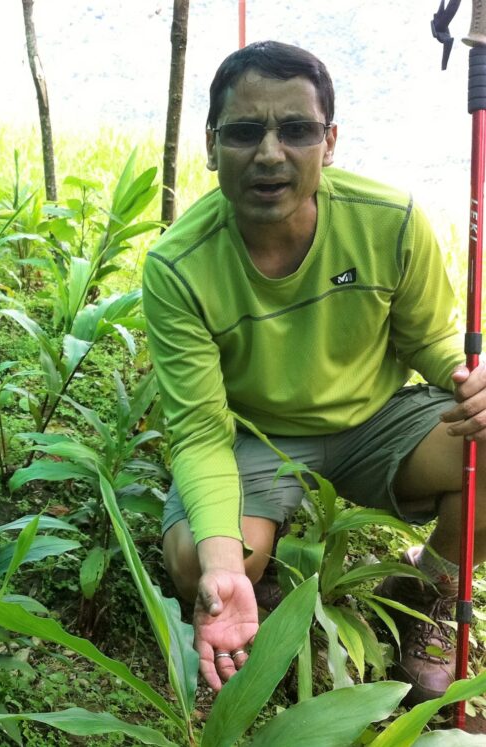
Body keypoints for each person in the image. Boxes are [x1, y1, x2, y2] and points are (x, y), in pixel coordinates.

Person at [142, 40, 486, 703]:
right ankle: (256, 577)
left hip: (377, 420)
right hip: (255, 437)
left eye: (295, 130)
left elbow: (430, 338)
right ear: (212, 146)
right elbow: (200, 431)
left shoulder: (392, 221)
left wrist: (468, 374)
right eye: (245, 132)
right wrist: (222, 569)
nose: (270, 153)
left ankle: (428, 586)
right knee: (199, 562)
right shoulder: (178, 268)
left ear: (329, 142)